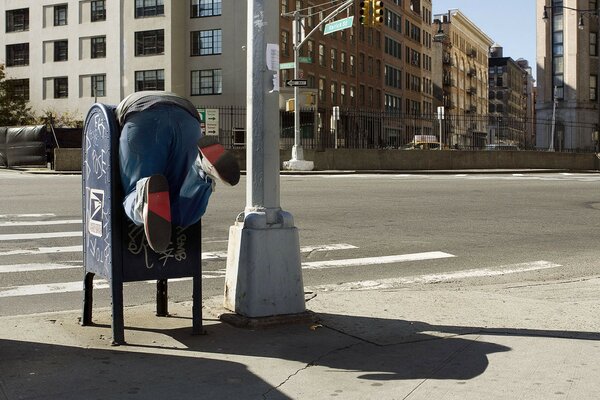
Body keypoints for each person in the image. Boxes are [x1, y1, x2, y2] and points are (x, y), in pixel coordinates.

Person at [115, 91, 240, 253]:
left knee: (134, 189)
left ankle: (142, 195)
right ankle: (201, 169)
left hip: (141, 114)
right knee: (184, 215)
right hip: (187, 118)